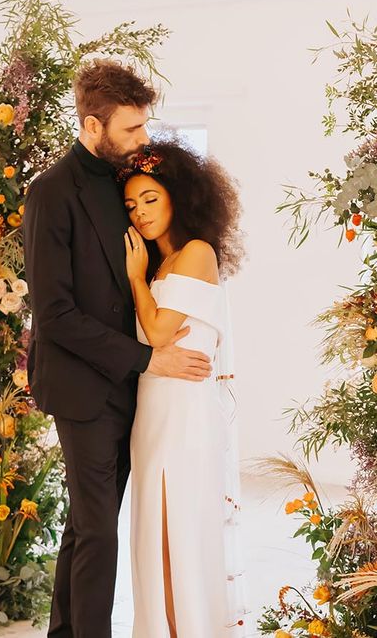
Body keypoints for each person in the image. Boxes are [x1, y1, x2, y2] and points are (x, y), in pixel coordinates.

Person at [22, 60, 213, 638]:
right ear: (91, 126)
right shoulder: (51, 193)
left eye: (144, 126)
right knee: (100, 530)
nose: (143, 139)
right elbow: (54, 316)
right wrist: (149, 358)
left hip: (135, 390)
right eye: (131, 129)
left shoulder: (129, 180)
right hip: (82, 386)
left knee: (87, 526)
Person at [120, 138, 249, 636]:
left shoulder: (197, 253)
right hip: (151, 416)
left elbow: (155, 333)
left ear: (179, 197)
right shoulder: (156, 267)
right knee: (157, 543)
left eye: (150, 199)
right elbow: (153, 339)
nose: (140, 213)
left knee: (183, 542)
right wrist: (141, 277)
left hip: (188, 417)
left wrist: (135, 278)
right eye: (131, 205)